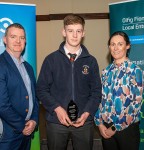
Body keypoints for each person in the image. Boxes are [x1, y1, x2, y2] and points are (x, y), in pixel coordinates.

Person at [36, 14, 101, 150]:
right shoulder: (51, 60)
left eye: (78, 31)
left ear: (83, 33)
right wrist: (57, 108)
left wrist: (87, 112)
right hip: (56, 122)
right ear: (64, 32)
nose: (74, 35)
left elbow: (96, 92)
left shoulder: (91, 61)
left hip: (84, 122)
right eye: (70, 30)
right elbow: (41, 89)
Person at [94, 31, 144, 150]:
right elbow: (99, 99)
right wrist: (99, 124)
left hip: (127, 130)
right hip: (105, 129)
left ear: (127, 46)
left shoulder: (135, 71)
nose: (116, 48)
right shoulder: (106, 72)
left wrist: (114, 128)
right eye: (112, 44)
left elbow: (135, 105)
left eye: (120, 44)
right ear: (109, 47)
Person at [0, 23, 39, 150]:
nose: (18, 41)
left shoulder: (28, 67)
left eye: (22, 38)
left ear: (25, 41)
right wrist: (23, 125)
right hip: (8, 134)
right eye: (13, 37)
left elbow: (34, 97)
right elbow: (2, 105)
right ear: (5, 40)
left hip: (27, 131)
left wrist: (33, 120)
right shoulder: (1, 65)